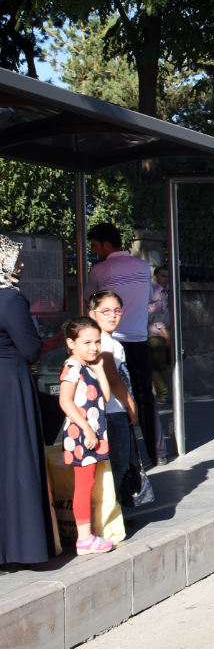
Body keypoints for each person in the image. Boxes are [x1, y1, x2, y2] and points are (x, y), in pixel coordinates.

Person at [86, 223, 169, 466]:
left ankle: (129, 457)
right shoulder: (143, 267)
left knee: (114, 401)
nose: (94, 251)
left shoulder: (100, 270)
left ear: (106, 245)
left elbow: (90, 302)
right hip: (139, 340)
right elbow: (148, 299)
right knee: (145, 396)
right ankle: (158, 452)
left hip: (111, 343)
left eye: (95, 246)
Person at [0, 235, 58, 565]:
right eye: (15, 258)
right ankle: (21, 546)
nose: (20, 265)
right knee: (16, 460)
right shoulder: (11, 300)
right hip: (9, 384)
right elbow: (31, 349)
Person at [57, 315, 115, 555]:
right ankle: (84, 539)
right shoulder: (72, 367)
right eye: (87, 342)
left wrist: (100, 370)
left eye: (97, 342)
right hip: (83, 436)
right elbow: (65, 401)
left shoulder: (88, 366)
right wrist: (87, 428)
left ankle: (86, 536)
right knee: (85, 485)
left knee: (87, 483)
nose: (94, 347)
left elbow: (107, 397)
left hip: (91, 434)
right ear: (71, 343)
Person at [88, 291, 139, 498]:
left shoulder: (107, 340)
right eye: (105, 311)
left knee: (115, 464)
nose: (112, 316)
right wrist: (130, 404)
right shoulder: (104, 343)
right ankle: (111, 516)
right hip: (113, 410)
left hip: (112, 410)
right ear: (93, 314)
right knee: (118, 465)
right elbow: (112, 377)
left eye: (117, 311)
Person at [148, 266, 170, 403]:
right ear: (155, 277)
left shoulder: (164, 291)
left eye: (167, 276)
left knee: (177, 355)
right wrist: (166, 333)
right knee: (157, 365)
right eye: (163, 276)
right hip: (155, 334)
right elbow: (154, 315)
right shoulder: (155, 292)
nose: (166, 279)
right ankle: (163, 394)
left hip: (162, 333)